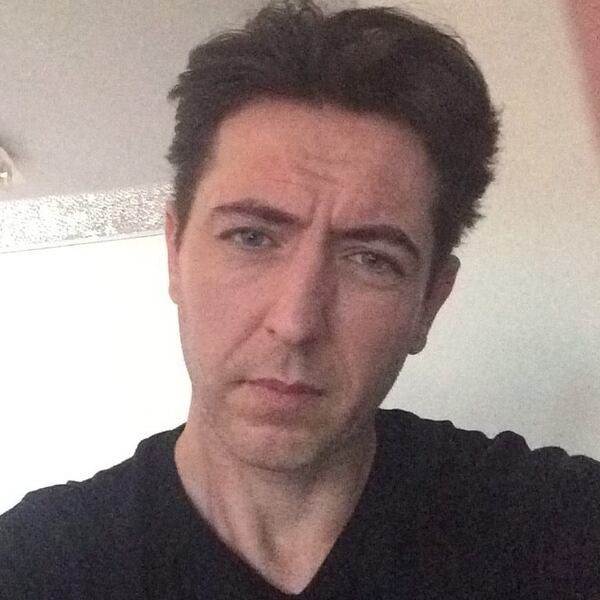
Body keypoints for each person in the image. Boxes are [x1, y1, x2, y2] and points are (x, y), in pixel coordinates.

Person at [1, 1, 599, 598]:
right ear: (175, 253)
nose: (295, 322)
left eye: (371, 259)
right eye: (251, 237)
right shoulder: (37, 568)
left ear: (430, 303)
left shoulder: (553, 526)